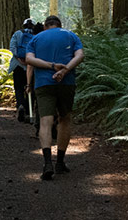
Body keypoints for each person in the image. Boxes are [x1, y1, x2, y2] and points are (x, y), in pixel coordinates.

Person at [25, 15, 84, 180]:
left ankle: (47, 163)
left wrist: (50, 66)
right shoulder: (71, 35)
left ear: (45, 27)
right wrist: (64, 71)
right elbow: (79, 56)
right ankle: (59, 162)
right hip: (67, 83)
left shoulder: (36, 38)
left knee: (46, 121)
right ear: (60, 25)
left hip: (43, 84)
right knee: (65, 119)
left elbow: (29, 59)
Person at [8, 18, 34, 122]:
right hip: (31, 65)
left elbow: (12, 47)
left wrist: (19, 58)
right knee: (30, 87)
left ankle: (20, 105)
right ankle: (28, 110)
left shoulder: (17, 34)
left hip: (17, 65)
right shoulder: (36, 35)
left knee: (18, 88)